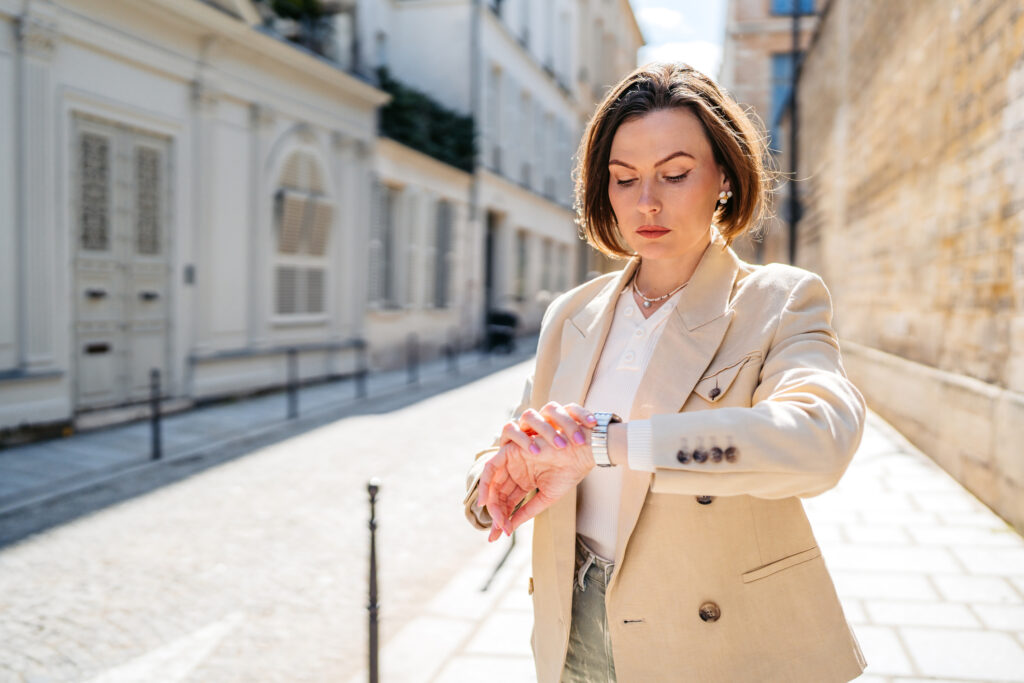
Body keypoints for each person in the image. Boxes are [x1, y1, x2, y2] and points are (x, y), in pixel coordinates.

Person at [462, 62, 867, 683]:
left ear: (725, 178)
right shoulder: (573, 312)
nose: (646, 201)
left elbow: (818, 441)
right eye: (624, 180)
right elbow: (525, 433)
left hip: (714, 637)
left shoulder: (778, 299)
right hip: (572, 624)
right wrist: (497, 476)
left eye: (675, 174)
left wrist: (605, 444)